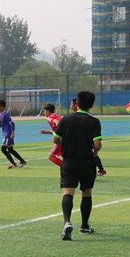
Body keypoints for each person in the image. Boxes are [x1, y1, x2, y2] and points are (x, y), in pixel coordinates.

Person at [53, 91, 102, 240]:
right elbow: (97, 145)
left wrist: (66, 143)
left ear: (77, 103)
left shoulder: (66, 118)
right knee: (86, 193)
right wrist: (93, 150)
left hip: (68, 161)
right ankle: (84, 225)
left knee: (68, 193)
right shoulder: (94, 121)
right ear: (91, 105)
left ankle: (67, 222)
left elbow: (55, 140)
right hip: (87, 162)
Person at [70, 98, 106, 177]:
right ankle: (100, 170)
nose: (70, 106)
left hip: (85, 139)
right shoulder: (73, 117)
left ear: (76, 105)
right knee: (91, 155)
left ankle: (97, 170)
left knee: (90, 155)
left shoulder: (85, 117)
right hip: (82, 140)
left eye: (71, 104)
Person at [0, 99, 27, 169]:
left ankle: (13, 164)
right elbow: (1, 124)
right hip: (6, 134)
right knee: (10, 150)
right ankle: (23, 161)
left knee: (3, 149)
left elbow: (12, 123)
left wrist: (13, 133)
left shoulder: (6, 114)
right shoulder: (1, 114)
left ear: (2, 107)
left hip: (8, 134)